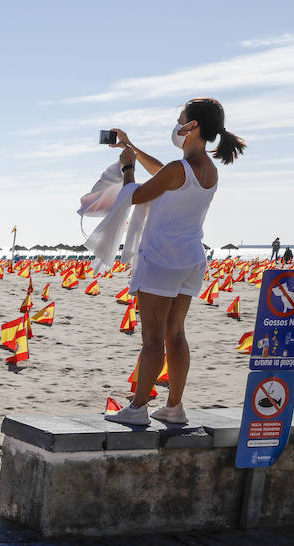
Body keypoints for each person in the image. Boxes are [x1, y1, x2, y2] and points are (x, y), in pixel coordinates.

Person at [104, 98, 246, 427]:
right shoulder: (207, 169)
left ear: (192, 126)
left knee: (152, 339)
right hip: (190, 260)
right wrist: (132, 146)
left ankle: (138, 408)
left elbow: (136, 195)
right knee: (176, 334)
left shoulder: (178, 169)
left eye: (180, 119)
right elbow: (165, 176)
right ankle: (174, 406)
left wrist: (128, 169)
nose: (176, 124)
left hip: (161, 260)